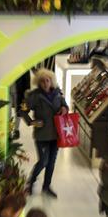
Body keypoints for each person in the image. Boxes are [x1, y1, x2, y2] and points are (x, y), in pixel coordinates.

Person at [20, 69, 68, 198]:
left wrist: (64, 109)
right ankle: (30, 183)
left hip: (56, 134)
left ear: (51, 81)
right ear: (38, 82)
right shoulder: (33, 96)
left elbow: (65, 106)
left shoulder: (58, 93)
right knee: (43, 161)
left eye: (47, 80)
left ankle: (46, 187)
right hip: (42, 135)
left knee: (51, 163)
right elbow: (22, 110)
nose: (45, 83)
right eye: (42, 81)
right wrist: (32, 122)